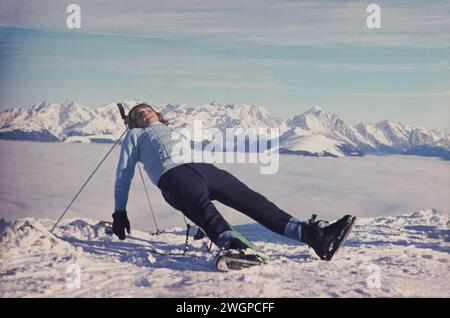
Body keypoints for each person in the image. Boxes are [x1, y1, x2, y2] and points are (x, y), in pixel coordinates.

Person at [112, 103, 355, 261]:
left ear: (157, 113)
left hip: (206, 169)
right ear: (133, 123)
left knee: (255, 202)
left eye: (147, 109)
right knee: (206, 212)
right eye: (137, 114)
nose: (144, 113)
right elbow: (124, 173)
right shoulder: (134, 136)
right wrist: (120, 212)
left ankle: (313, 236)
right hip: (173, 176)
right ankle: (235, 247)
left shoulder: (174, 131)